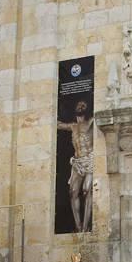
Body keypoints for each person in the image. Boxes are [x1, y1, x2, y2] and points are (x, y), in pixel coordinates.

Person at [57, 100, 94, 233]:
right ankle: (78, 227)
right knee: (73, 192)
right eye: (79, 104)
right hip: (77, 162)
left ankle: (86, 227)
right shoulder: (72, 126)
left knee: (86, 190)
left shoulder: (91, 122)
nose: (81, 106)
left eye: (84, 104)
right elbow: (58, 125)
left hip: (89, 160)